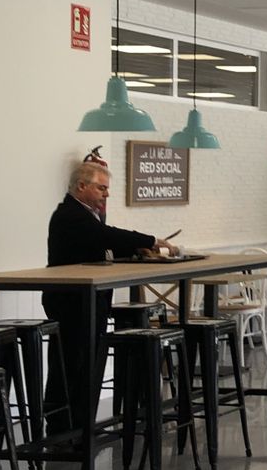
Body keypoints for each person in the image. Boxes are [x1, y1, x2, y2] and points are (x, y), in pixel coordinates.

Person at [45, 160, 177, 431]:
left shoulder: (87, 213)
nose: (107, 194)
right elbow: (103, 236)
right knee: (72, 363)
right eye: (101, 188)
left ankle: (80, 423)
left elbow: (98, 244)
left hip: (87, 298)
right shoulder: (70, 213)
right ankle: (64, 426)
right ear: (81, 186)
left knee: (84, 363)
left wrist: (136, 249)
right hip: (70, 300)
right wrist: (150, 240)